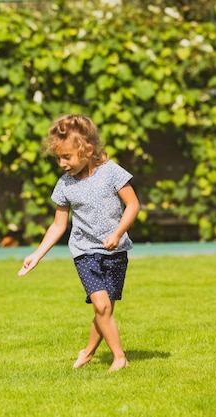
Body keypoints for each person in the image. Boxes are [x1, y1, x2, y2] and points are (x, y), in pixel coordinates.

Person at [18, 114, 140, 373]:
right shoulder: (65, 185)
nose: (62, 163)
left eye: (67, 157)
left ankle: (87, 351)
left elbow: (133, 205)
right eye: (58, 158)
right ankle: (119, 357)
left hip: (115, 251)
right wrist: (37, 255)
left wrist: (118, 233)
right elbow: (59, 225)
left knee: (103, 310)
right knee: (101, 305)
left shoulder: (111, 172)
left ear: (87, 150)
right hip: (85, 253)